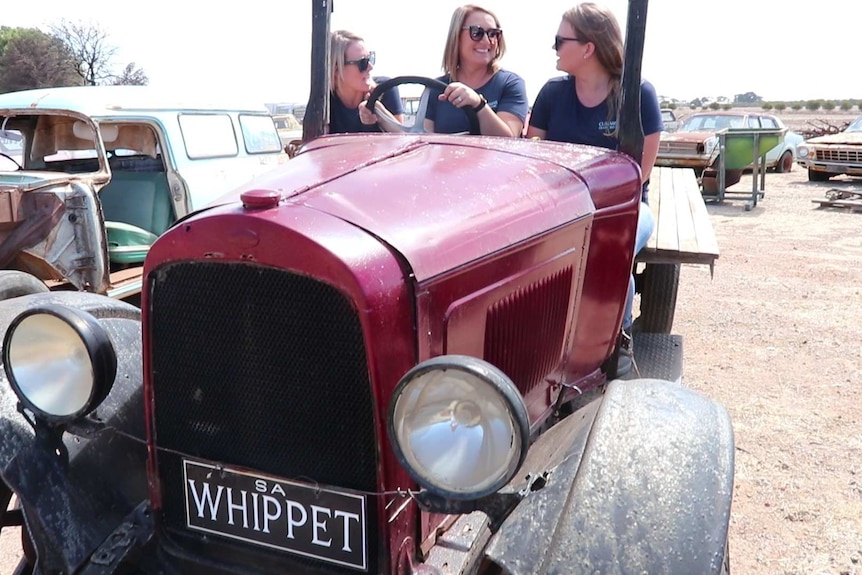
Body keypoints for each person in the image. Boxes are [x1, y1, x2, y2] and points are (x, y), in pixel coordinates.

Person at [526, 2, 664, 376]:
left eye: (559, 40)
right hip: (561, 209)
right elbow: (530, 158)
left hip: (624, 208)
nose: (553, 48)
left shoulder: (637, 94)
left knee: (612, 252)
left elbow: (641, 174)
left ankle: (616, 344)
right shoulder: (552, 94)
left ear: (588, 48)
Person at [425, 5, 528, 137]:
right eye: (476, 32)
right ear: (456, 36)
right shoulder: (435, 88)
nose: (486, 41)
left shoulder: (510, 84)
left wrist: (478, 104)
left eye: (493, 34)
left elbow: (507, 141)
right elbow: (423, 142)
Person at [329, 30, 404, 134]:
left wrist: (380, 113)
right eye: (362, 63)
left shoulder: (386, 89)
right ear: (337, 71)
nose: (370, 67)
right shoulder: (324, 102)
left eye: (370, 59)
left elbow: (403, 140)